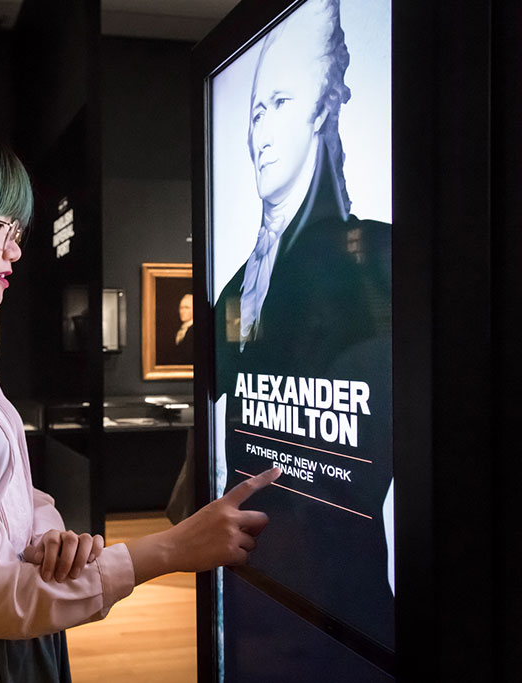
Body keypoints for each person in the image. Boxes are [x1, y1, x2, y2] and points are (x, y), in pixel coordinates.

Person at [0, 119, 281, 682]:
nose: (15, 247)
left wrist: (46, 537)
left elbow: (7, 490)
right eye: (0, 224)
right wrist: (168, 549)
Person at [213, 0, 394, 647]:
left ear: (322, 106)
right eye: (255, 110)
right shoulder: (238, 285)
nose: (260, 129)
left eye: (281, 102)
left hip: (344, 599)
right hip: (256, 581)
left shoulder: (377, 254)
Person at [174, 293, 194, 363]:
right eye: (181, 308)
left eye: (187, 308)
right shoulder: (178, 330)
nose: (183, 311)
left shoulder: (196, 331)